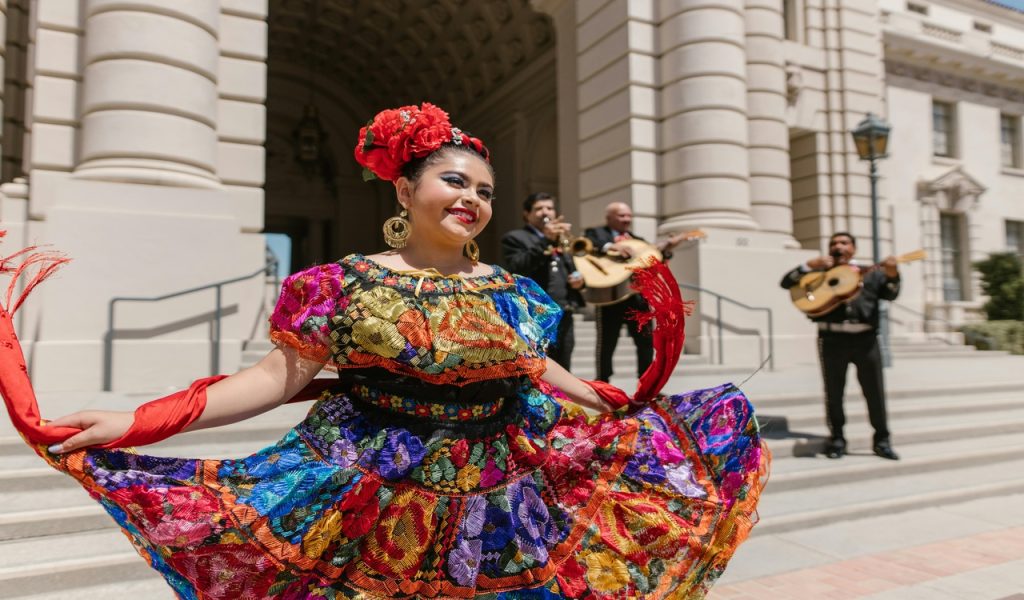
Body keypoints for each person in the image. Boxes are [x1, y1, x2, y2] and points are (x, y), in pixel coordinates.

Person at [0, 103, 767, 598]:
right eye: (454, 181)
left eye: (484, 191)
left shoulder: (513, 289)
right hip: (373, 485)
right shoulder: (336, 284)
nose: (472, 200)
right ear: (405, 191)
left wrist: (600, 396)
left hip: (505, 482)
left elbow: (533, 366)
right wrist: (136, 422)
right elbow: (271, 381)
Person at [780, 232, 901, 461]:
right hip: (832, 340)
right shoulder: (819, 274)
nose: (839, 247)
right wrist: (807, 265)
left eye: (844, 243)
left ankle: (882, 441)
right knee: (834, 393)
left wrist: (893, 275)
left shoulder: (871, 273)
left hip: (866, 341)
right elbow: (786, 282)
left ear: (853, 249)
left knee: (874, 392)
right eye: (834, 243)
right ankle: (837, 440)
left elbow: (891, 294)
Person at [584, 202, 681, 382]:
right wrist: (611, 247)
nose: (627, 219)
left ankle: (646, 384)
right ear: (609, 218)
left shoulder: (639, 241)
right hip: (610, 297)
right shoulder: (596, 233)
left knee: (645, 343)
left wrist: (666, 250)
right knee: (607, 343)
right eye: (622, 216)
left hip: (637, 298)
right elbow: (587, 243)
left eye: (629, 216)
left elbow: (653, 263)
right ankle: (602, 383)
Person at [500, 192, 585, 370]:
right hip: (534, 313)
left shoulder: (562, 239)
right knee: (538, 365)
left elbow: (572, 269)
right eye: (539, 208)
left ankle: (562, 398)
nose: (545, 212)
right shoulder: (515, 237)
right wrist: (546, 240)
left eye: (549, 208)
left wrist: (579, 281)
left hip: (564, 311)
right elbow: (518, 266)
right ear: (526, 214)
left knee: (564, 363)